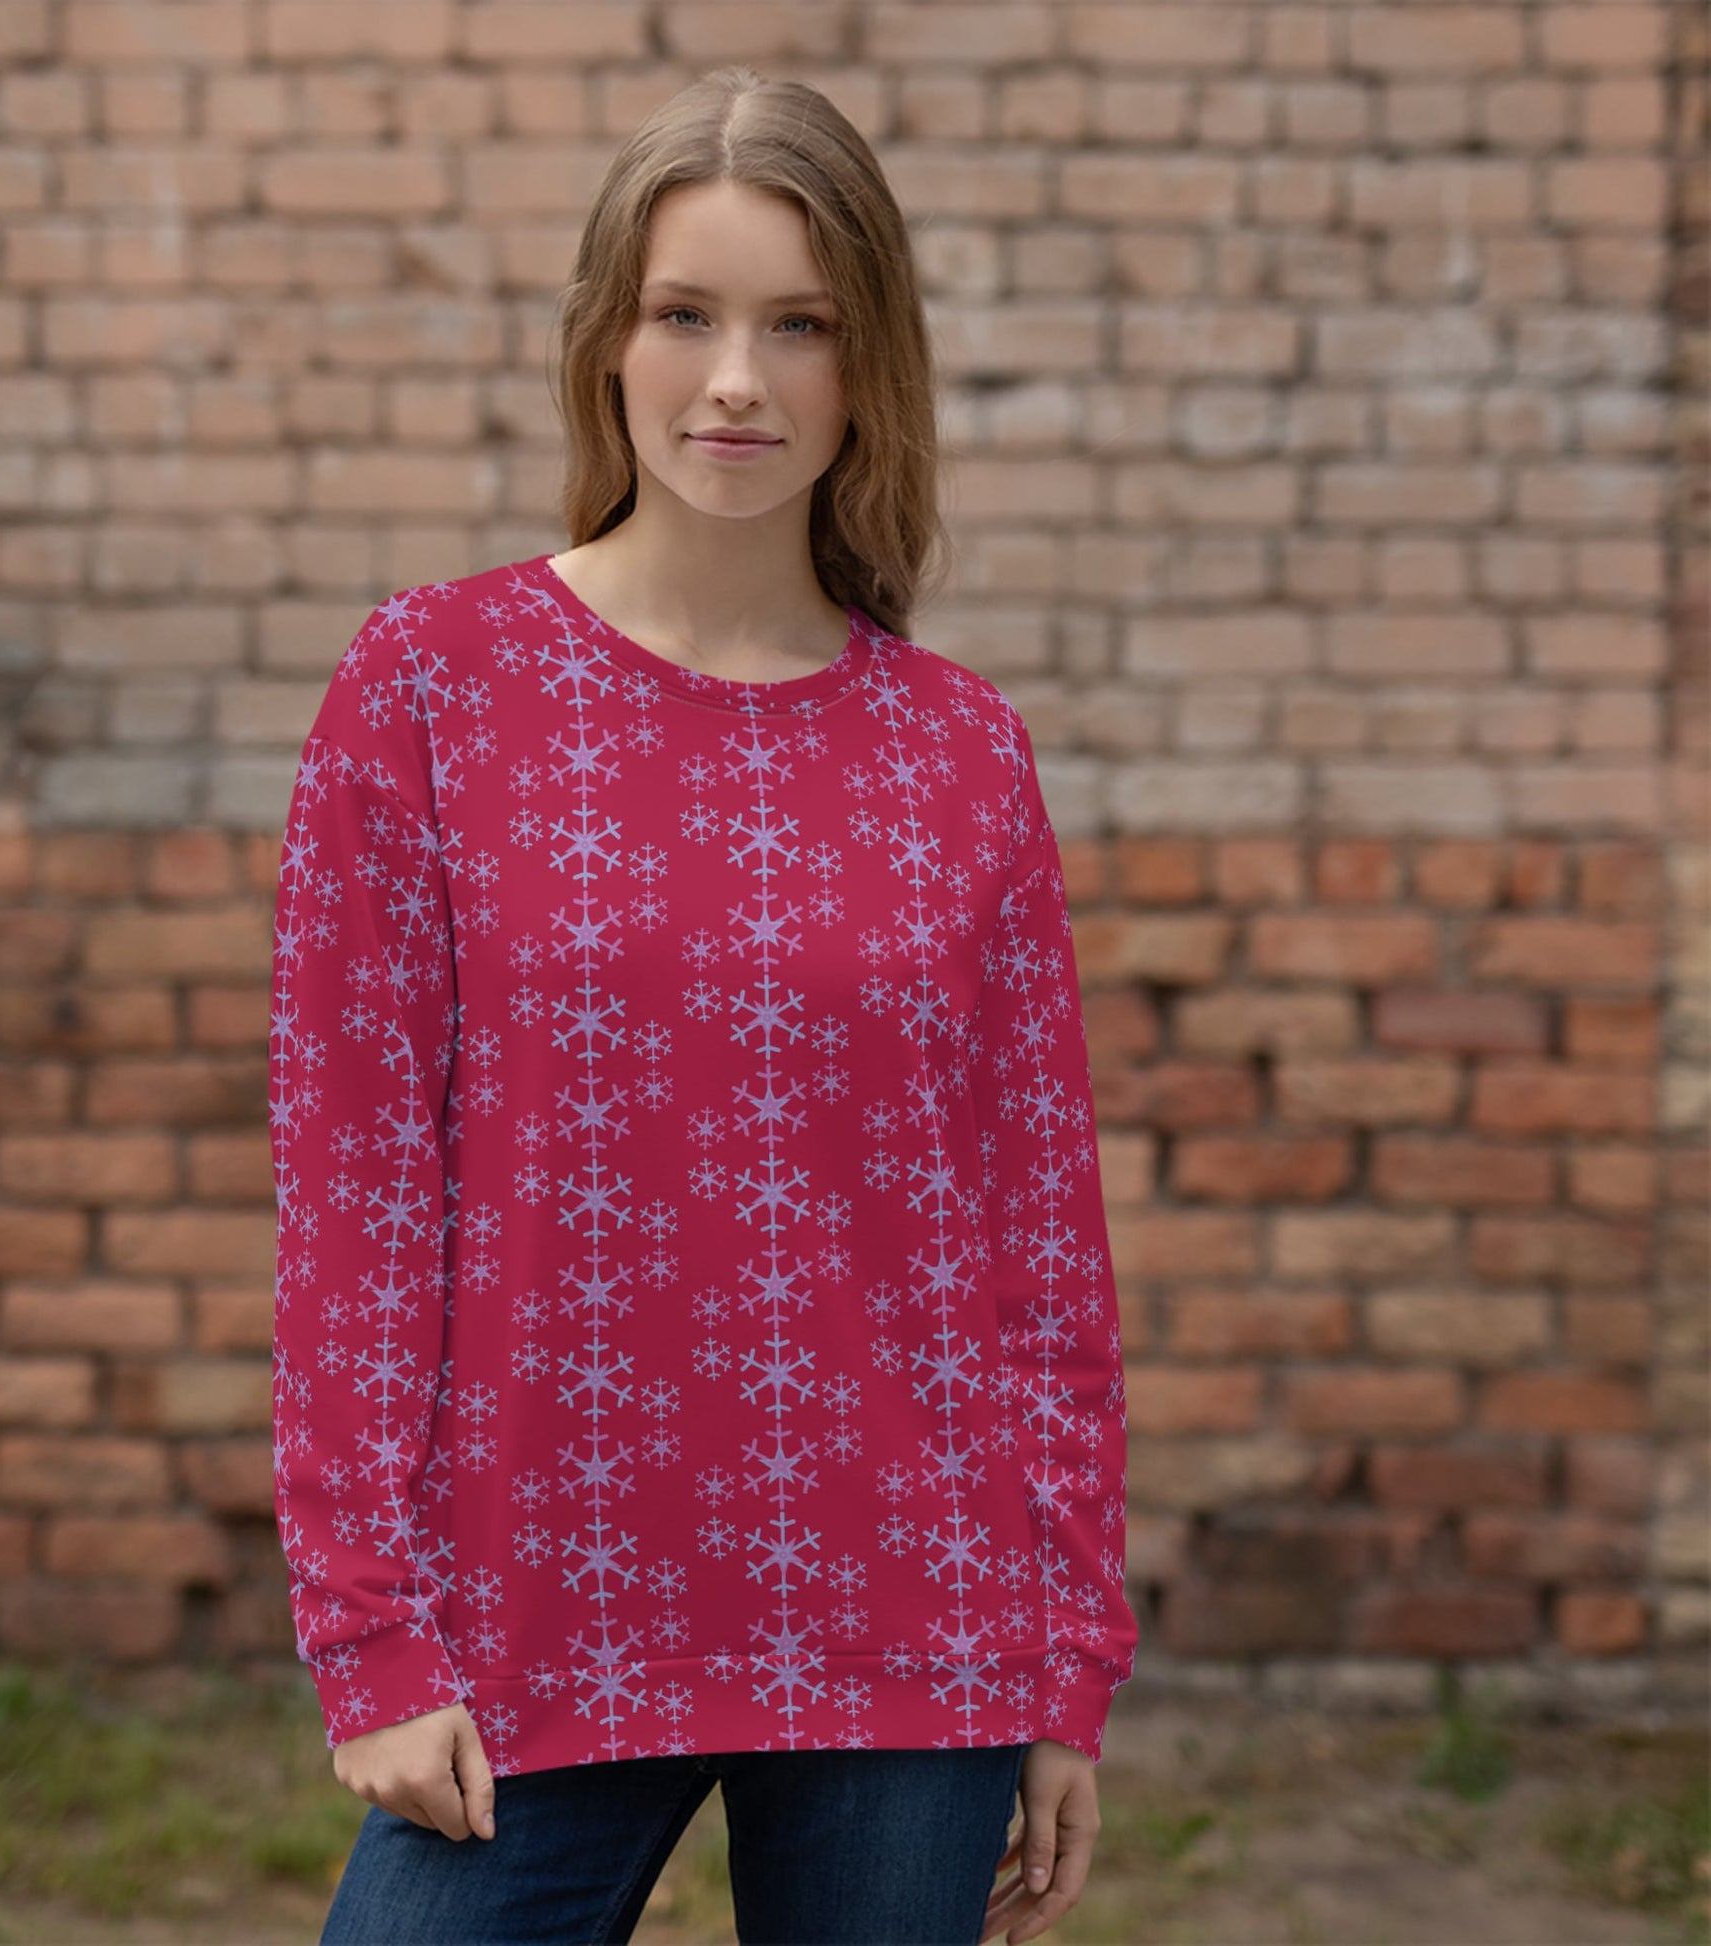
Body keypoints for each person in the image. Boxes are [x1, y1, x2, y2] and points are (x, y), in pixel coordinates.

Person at [266, 64, 1137, 1946]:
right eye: (686, 314)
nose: (736, 380)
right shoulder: (430, 688)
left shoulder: (959, 751)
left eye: (797, 325)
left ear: (865, 366)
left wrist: (1064, 1659)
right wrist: (368, 1626)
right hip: (533, 1609)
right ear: (607, 341)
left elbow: (1037, 1243)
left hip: (911, 1619)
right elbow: (349, 1196)